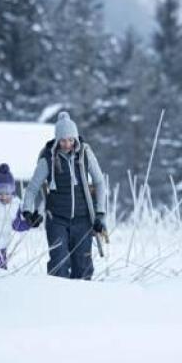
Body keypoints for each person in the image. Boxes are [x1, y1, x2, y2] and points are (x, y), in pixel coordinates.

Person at [21, 111, 106, 280]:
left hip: (83, 219)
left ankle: (82, 303)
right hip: (57, 219)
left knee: (83, 267)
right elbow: (32, 189)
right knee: (59, 265)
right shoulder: (48, 159)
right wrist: (28, 212)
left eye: (70, 140)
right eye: (63, 140)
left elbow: (100, 182)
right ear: (57, 140)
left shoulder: (85, 154)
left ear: (75, 138)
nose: (67, 144)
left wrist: (100, 214)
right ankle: (57, 301)